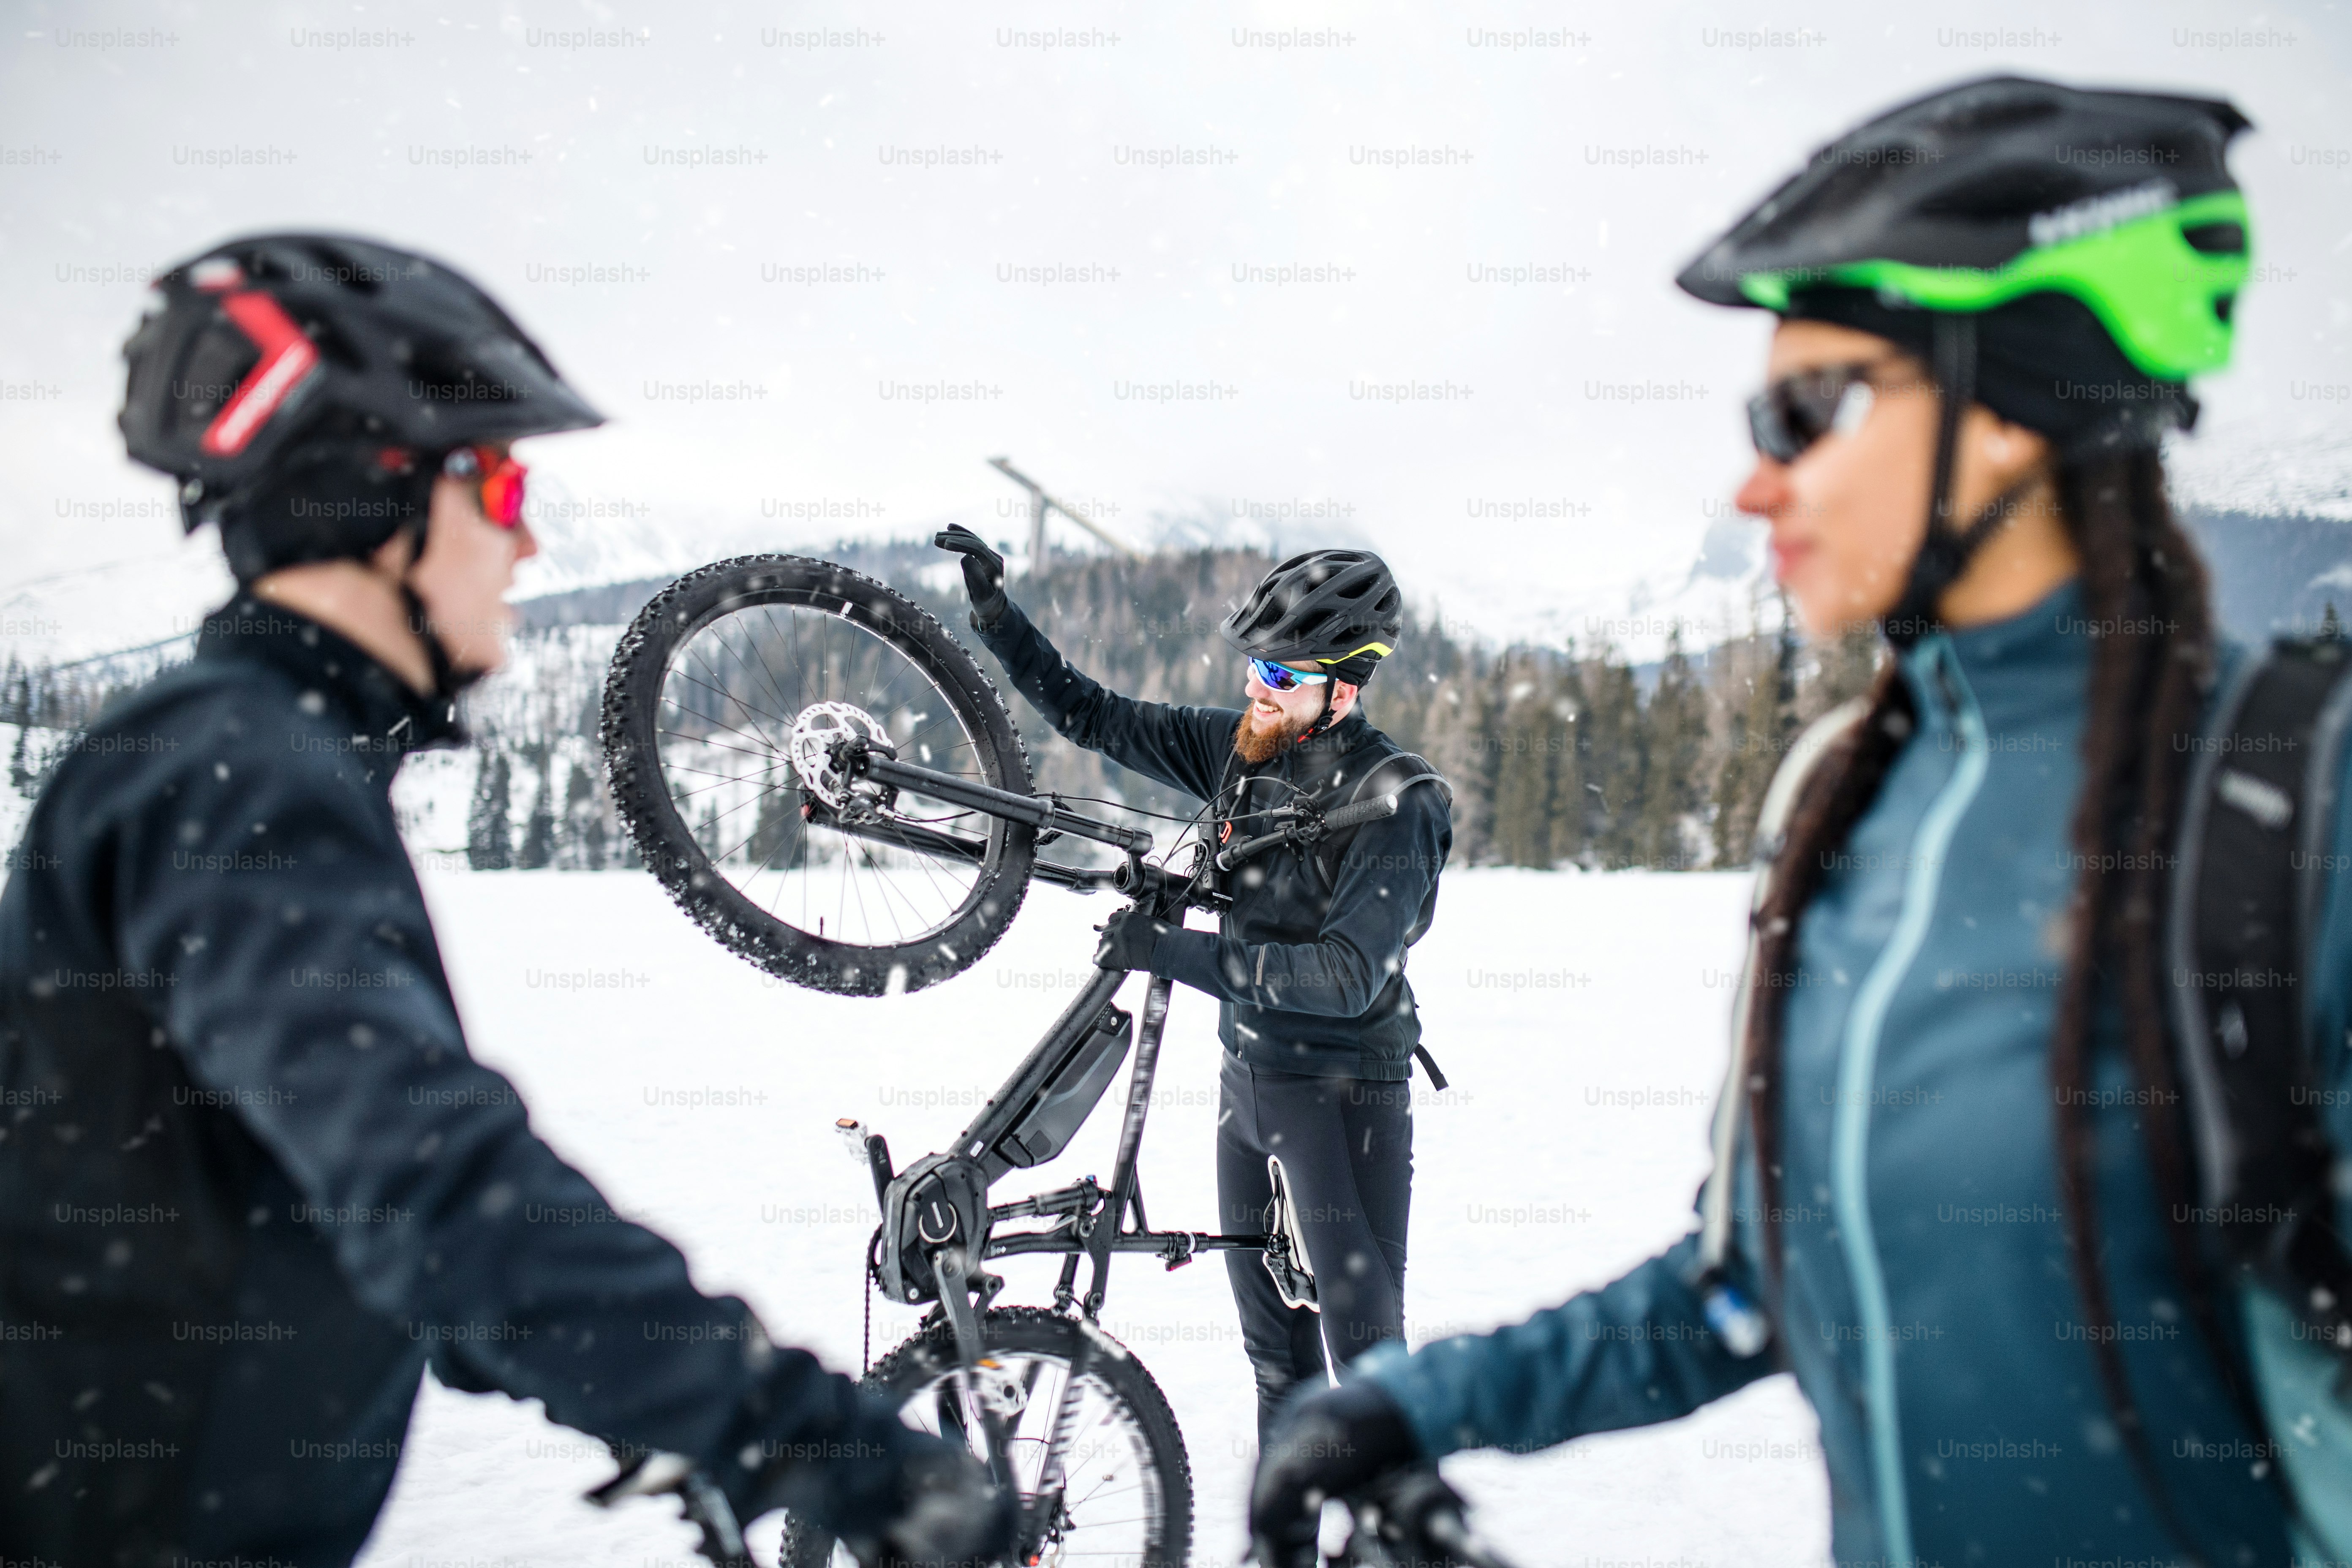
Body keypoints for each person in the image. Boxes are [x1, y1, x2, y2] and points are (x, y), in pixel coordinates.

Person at [1248, 76, 2342, 1568]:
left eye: (1806, 410)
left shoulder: (2293, 817)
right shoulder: (1852, 805)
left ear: (2008, 414)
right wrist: (1409, 1400)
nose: (1754, 480)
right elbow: (1751, 1281)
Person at [0, 233, 1008, 1568]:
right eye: (501, 480)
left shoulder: (240, 753)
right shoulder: (239, 774)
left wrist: (631, 1395)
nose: (526, 537)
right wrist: (806, 1439)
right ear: (380, 492)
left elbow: (332, 1191)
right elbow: (431, 1187)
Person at [934, 528, 1452, 1442]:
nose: (1258, 686)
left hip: (1343, 1102)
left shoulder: (1397, 802)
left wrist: (1170, 953)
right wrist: (996, 616)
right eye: (1257, 664)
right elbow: (1095, 715)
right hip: (1246, 1093)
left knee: (1371, 1386)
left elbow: (1338, 978)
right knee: (1276, 1370)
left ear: (1349, 683)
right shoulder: (1239, 750)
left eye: (1285, 676)